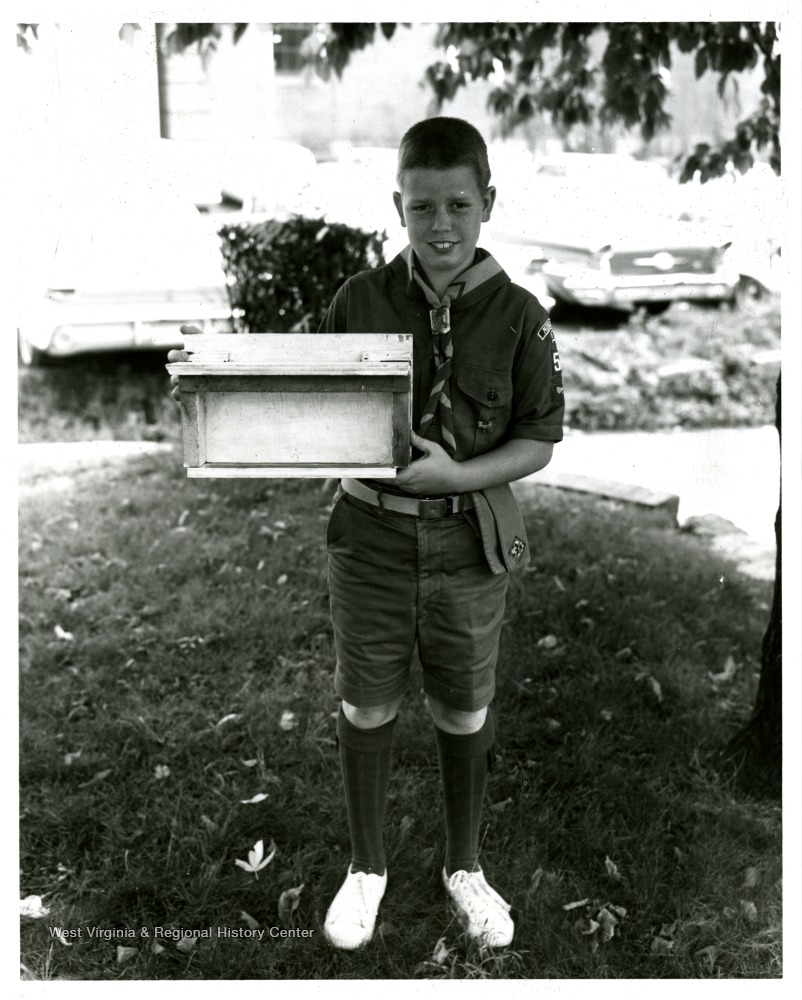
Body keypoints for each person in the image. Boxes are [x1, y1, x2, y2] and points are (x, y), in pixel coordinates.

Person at [170, 116, 564, 952]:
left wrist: (453, 476)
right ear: (399, 207)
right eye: (422, 208)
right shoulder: (361, 299)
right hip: (372, 540)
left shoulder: (521, 315)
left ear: (488, 203)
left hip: (467, 541)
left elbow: (538, 438)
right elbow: (313, 399)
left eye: (458, 204)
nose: (442, 226)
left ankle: (464, 864)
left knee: (464, 707)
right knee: (366, 698)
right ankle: (368, 866)